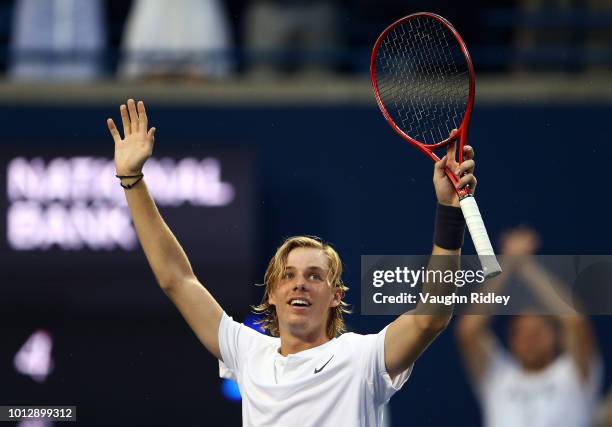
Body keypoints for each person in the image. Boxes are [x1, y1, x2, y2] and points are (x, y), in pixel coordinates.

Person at [106, 99, 478, 426]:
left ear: (336, 295)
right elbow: (176, 279)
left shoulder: (360, 360)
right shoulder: (248, 353)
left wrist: (448, 211)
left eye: (315, 276)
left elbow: (432, 316)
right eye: (289, 275)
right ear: (272, 293)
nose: (300, 283)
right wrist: (132, 180)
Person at [456, 227, 603, 427]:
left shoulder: (574, 374)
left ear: (556, 336)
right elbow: (468, 330)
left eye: (538, 332)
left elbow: (575, 321)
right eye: (522, 333)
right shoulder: (498, 376)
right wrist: (507, 263)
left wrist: (527, 266)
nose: (530, 339)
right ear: (512, 340)